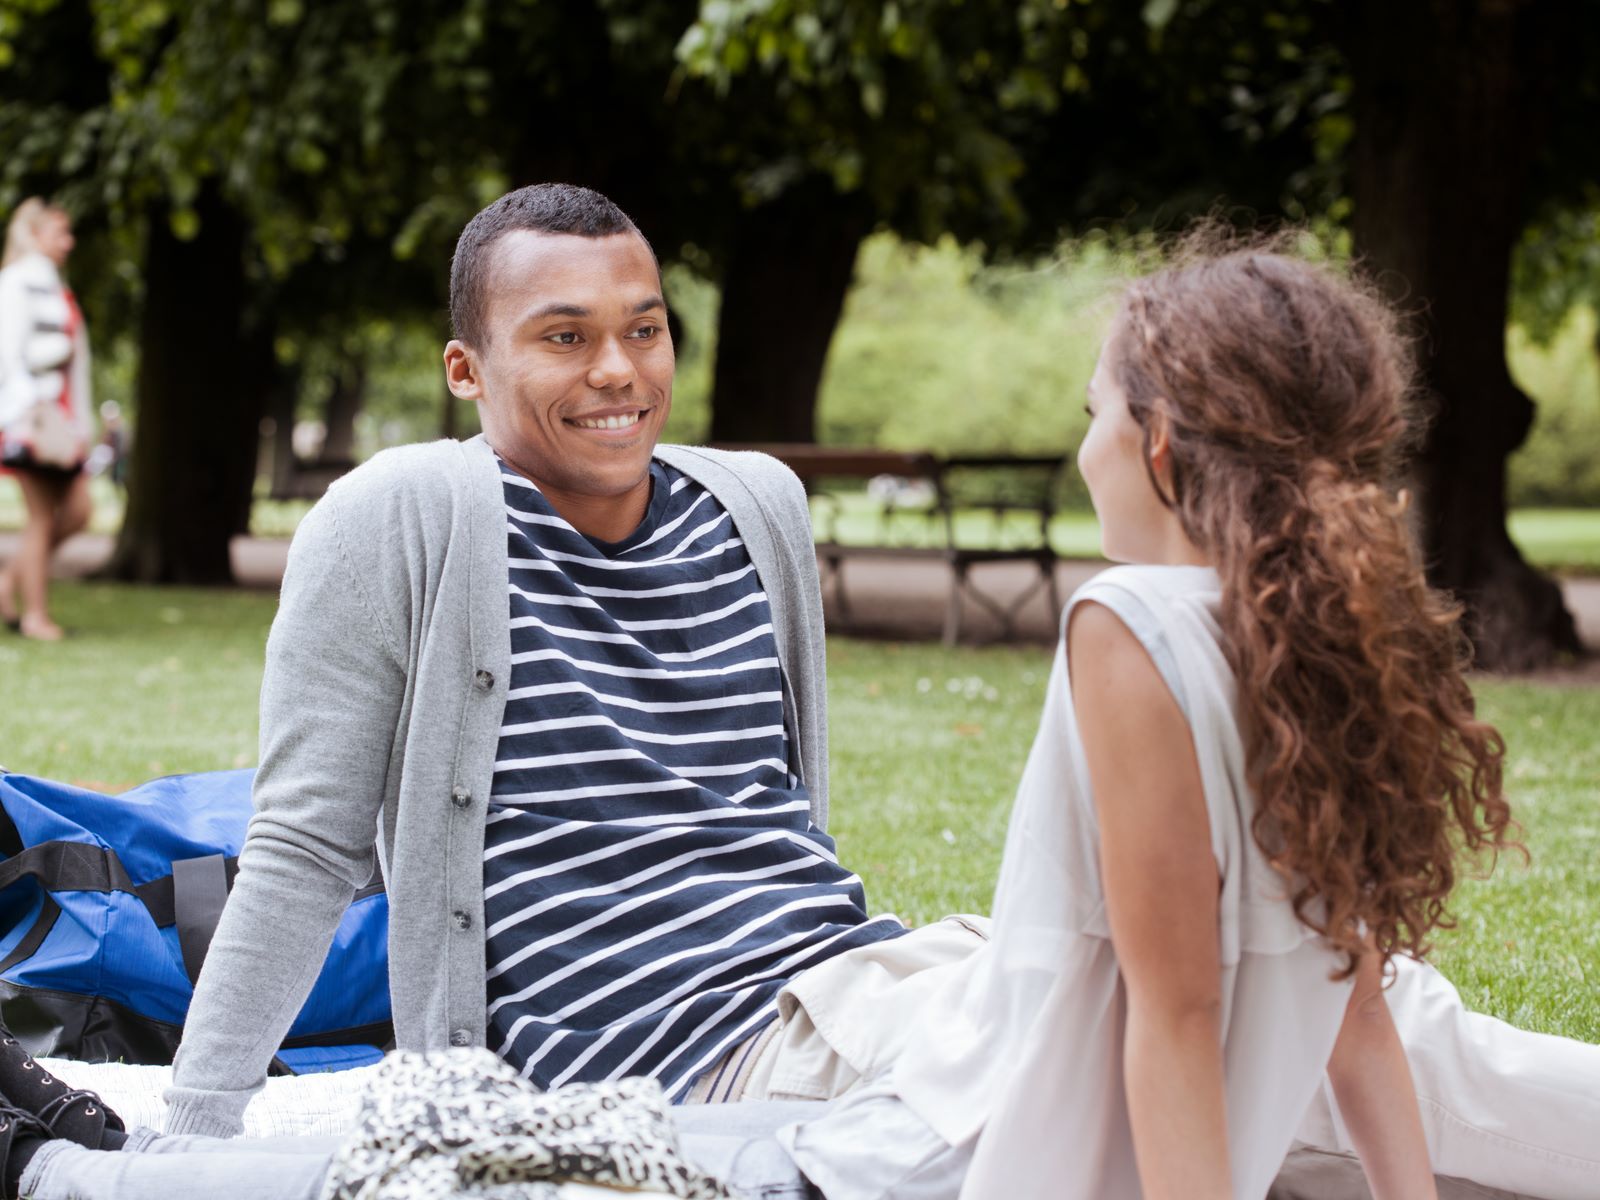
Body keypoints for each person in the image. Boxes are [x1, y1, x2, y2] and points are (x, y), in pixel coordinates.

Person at [0, 189, 1595, 1200]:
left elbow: (787, 820)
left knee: (1376, 1031)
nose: (619, 369)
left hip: (853, 990)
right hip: (689, 1054)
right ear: (466, 370)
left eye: (644, 328)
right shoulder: (403, 519)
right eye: (563, 337)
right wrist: (188, 1144)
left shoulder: (754, 504)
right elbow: (295, 850)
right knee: (1252, 1054)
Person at [0, 198, 94, 642]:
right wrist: (15, 419)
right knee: (41, 516)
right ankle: (35, 616)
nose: (68, 242)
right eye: (60, 232)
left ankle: (8, 583)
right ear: (34, 235)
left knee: (78, 511)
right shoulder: (17, 284)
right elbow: (7, 357)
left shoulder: (56, 287)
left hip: (60, 424)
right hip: (30, 420)